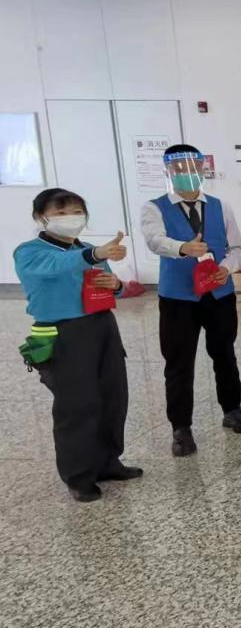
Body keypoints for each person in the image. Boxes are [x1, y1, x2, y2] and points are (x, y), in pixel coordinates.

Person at [14, 189, 136, 502]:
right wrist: (95, 255)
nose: (70, 217)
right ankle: (79, 476)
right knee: (77, 405)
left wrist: (116, 285)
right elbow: (57, 265)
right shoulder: (30, 252)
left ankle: (108, 462)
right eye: (61, 212)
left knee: (112, 397)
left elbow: (109, 286)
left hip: (102, 326)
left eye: (77, 211)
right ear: (41, 217)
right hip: (63, 332)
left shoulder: (87, 250)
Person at [142, 144, 241, 457]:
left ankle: (232, 410)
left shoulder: (220, 206)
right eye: (179, 168)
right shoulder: (154, 208)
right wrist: (182, 248)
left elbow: (238, 248)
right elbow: (154, 240)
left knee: (224, 353)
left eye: (192, 167)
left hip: (219, 294)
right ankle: (181, 428)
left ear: (203, 168)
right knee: (178, 362)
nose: (186, 173)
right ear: (169, 171)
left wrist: (226, 268)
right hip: (179, 298)